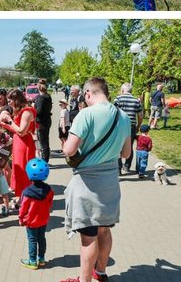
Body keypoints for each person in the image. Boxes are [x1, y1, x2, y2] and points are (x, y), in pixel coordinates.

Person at [60, 77, 131, 282]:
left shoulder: (86, 114)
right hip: (110, 181)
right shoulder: (123, 116)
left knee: (88, 236)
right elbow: (126, 154)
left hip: (87, 183)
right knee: (104, 229)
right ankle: (100, 273)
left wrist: (65, 143)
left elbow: (69, 150)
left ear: (88, 93)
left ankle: (84, 281)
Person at [0, 89, 37, 198]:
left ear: (17, 100)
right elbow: (17, 130)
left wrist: (9, 120)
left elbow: (21, 131)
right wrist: (4, 125)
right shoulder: (20, 110)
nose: (9, 103)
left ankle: (26, 197)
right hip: (18, 142)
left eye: (10, 100)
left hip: (25, 143)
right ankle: (21, 197)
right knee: (18, 170)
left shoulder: (27, 111)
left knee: (24, 171)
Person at [18, 158, 54, 270]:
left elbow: (23, 208)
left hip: (31, 221)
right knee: (41, 238)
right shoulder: (48, 190)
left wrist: (21, 219)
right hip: (43, 219)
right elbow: (50, 202)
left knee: (32, 240)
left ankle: (32, 261)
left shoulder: (27, 192)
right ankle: (41, 259)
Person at [113, 83, 143, 174]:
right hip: (131, 126)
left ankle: (118, 168)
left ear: (122, 90)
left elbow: (113, 112)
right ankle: (127, 166)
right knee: (129, 146)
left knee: (118, 146)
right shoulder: (136, 101)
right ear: (131, 91)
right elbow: (140, 116)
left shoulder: (118, 99)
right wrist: (138, 126)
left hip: (120, 125)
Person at [33, 79, 53, 162]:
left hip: (41, 122)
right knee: (45, 141)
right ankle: (45, 159)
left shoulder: (41, 98)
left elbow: (39, 111)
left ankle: (45, 161)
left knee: (42, 142)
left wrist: (32, 110)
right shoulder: (48, 96)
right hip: (46, 120)